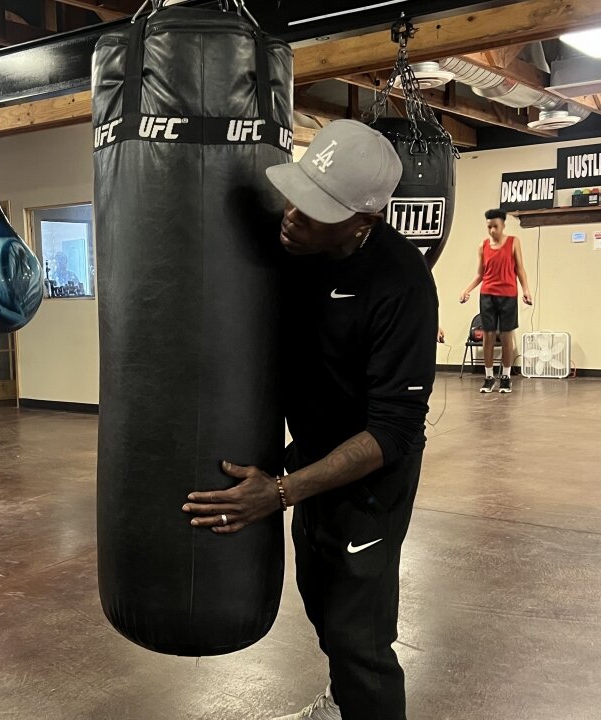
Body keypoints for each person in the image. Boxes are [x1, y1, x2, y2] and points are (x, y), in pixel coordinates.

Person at [181, 120, 438, 720]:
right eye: (296, 197)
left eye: (316, 210)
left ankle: (365, 702)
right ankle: (344, 702)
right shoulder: (298, 248)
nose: (292, 217)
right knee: (323, 605)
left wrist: (279, 492)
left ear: (365, 222)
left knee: (361, 636)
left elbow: (396, 430)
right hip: (308, 455)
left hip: (370, 478)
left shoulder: (401, 286)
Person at [458, 208, 532, 394]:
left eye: (495, 227)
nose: (492, 230)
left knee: (507, 336)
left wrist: (526, 290)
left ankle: (505, 377)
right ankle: (489, 377)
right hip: (487, 295)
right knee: (489, 336)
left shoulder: (514, 242)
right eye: (489, 227)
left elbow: (520, 269)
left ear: (503, 225)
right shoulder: (483, 246)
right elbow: (480, 274)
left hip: (508, 294)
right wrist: (467, 290)